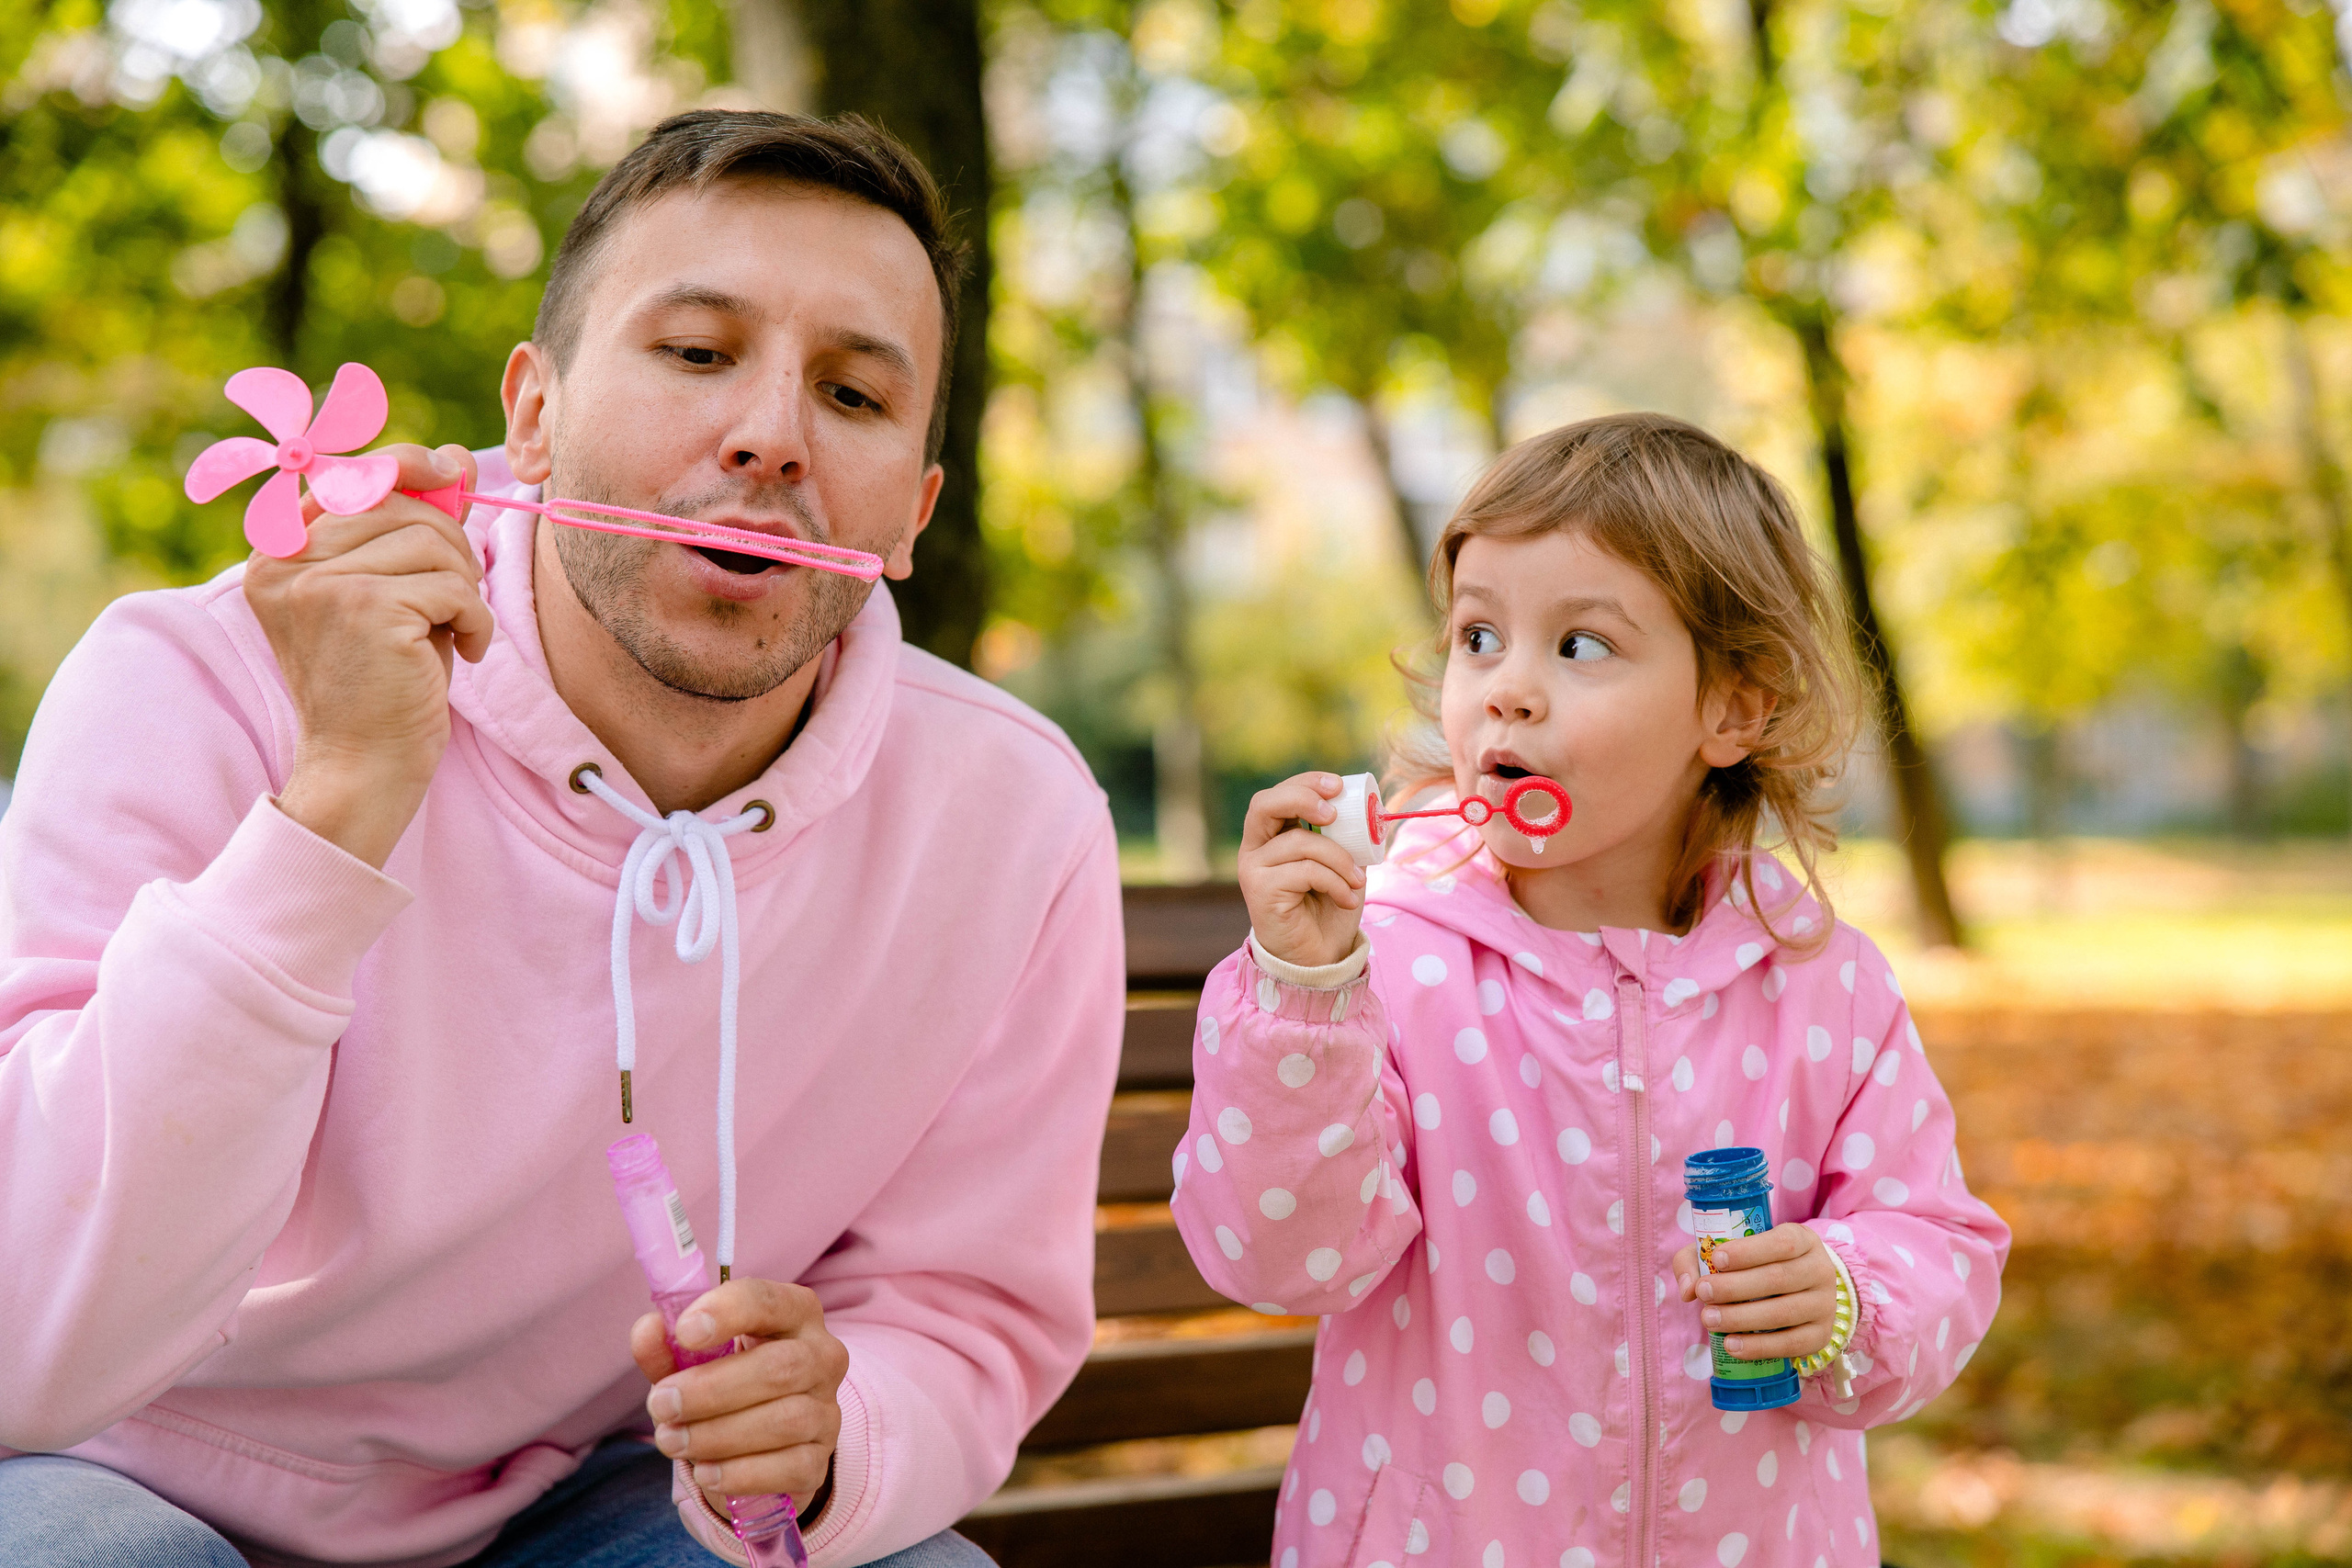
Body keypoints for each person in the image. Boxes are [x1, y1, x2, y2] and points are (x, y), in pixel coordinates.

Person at [0, 111, 1124, 1567]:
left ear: (909, 514)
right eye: (697, 351)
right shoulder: (191, 682)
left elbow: (961, 1307)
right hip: (117, 1463)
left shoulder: (1014, 819)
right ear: (533, 417)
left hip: (587, 1499)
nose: (771, 436)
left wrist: (843, 1426)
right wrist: (336, 803)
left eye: (852, 393)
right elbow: (26, 1337)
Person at [1170, 413, 2010, 1567]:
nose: (1508, 690)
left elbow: (1939, 1242)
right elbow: (1280, 1259)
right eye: (1478, 636)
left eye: (1579, 646)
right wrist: (1305, 995)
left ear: (1733, 709)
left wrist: (1849, 1297)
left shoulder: (1823, 985)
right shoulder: (1385, 969)